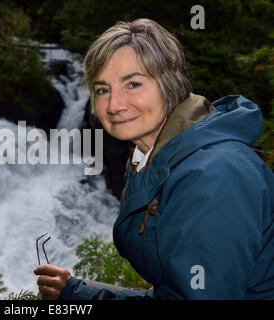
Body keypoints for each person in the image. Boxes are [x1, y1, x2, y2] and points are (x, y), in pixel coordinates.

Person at [34, 18, 274, 300]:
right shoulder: (152, 156)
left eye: (133, 84)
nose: (114, 105)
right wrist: (74, 292)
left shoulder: (214, 176)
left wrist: (81, 297)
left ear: (170, 83)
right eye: (102, 90)